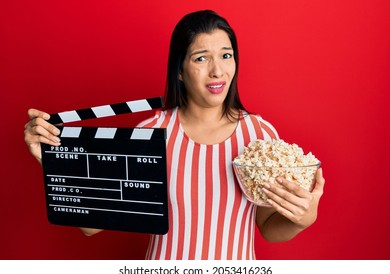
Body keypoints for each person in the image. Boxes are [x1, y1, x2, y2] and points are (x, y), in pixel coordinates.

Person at [24, 10, 325, 260]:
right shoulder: (152, 133)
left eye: (226, 55)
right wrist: (50, 161)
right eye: (201, 58)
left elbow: (269, 227)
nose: (218, 71)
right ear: (179, 70)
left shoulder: (260, 135)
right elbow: (91, 227)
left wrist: (303, 216)